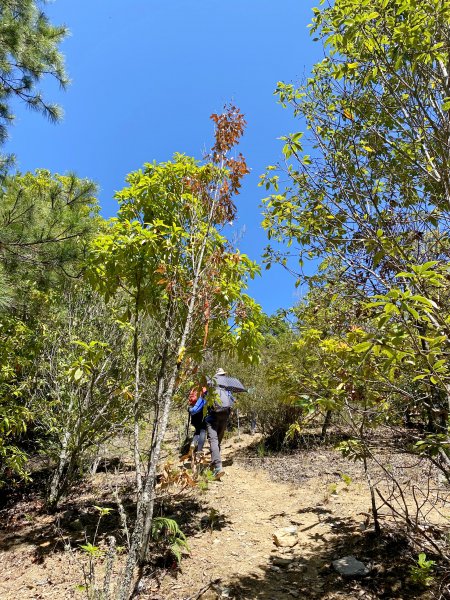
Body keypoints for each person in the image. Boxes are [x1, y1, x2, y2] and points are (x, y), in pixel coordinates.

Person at [206, 368, 235, 480]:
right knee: (218, 439)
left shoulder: (211, 384)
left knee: (213, 440)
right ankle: (215, 463)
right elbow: (231, 401)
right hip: (225, 414)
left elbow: (205, 399)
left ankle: (218, 467)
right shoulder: (227, 386)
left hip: (213, 415)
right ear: (223, 375)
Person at [188, 386, 207, 457]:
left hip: (193, 411)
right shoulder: (204, 389)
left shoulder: (194, 388)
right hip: (201, 412)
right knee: (203, 430)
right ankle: (199, 450)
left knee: (197, 430)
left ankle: (193, 442)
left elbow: (190, 401)